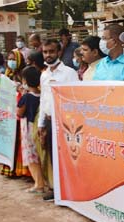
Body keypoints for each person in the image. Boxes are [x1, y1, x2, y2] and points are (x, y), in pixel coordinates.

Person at [38, 39, 79, 201]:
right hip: (48, 121)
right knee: (53, 156)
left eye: (51, 51)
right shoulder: (44, 74)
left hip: (65, 123)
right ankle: (58, 191)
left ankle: (71, 190)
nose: (48, 55)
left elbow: (76, 100)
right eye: (45, 52)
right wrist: (41, 124)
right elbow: (43, 100)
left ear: (59, 52)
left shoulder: (69, 73)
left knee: (67, 157)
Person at [17, 66, 46, 194]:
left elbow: (19, 112)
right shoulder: (42, 95)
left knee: (31, 157)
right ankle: (42, 182)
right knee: (40, 156)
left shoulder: (27, 97)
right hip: (39, 127)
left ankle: (38, 184)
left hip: (28, 128)